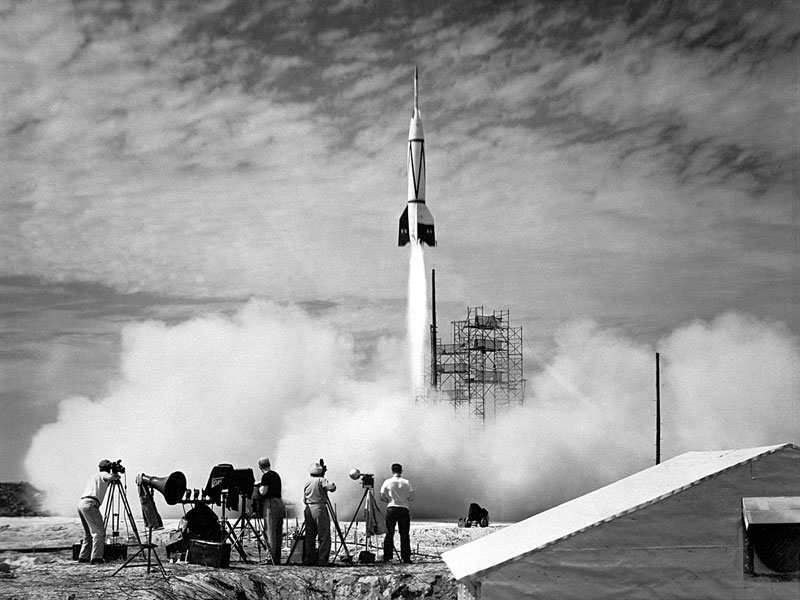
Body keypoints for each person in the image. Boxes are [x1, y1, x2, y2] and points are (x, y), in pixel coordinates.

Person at [77, 459, 120, 565]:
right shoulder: (103, 475)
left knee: (88, 533)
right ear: (107, 468)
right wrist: (115, 473)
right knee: (99, 532)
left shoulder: (93, 476)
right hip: (90, 504)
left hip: (82, 503)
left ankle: (83, 557)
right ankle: (96, 558)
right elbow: (113, 478)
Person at [379, 463, 415, 564]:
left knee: (389, 533)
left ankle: (387, 556)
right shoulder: (406, 482)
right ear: (401, 471)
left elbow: (381, 496)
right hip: (403, 508)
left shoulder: (387, 482)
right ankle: (406, 558)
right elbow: (412, 497)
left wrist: (389, 500)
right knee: (404, 534)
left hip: (391, 508)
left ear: (392, 471)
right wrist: (404, 499)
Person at [303, 462, 336, 566]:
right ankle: (322, 560)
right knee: (324, 535)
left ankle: (309, 559)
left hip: (308, 508)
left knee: (310, 535)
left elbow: (304, 499)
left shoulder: (307, 482)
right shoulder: (321, 480)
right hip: (319, 508)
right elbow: (331, 488)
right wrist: (333, 485)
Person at [256, 457, 284, 565]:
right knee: (277, 531)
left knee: (270, 531)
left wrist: (258, 488)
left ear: (260, 467)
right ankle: (277, 557)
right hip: (279, 502)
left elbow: (263, 491)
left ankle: (270, 557)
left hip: (271, 503)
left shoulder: (266, 476)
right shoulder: (276, 475)